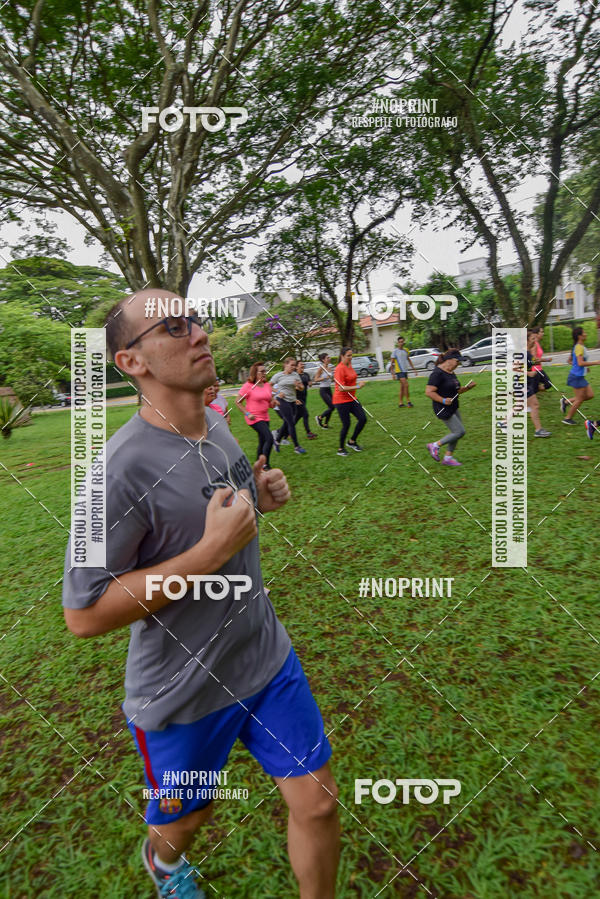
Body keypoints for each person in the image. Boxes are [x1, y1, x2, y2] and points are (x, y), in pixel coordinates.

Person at [62, 290, 339, 899]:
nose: (201, 334)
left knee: (317, 805)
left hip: (265, 658)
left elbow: (220, 507)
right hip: (182, 690)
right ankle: (162, 863)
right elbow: (82, 614)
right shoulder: (114, 473)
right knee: (188, 817)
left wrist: (257, 500)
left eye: (200, 322)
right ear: (131, 361)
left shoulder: (216, 423)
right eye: (176, 326)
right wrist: (208, 554)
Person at [425, 348, 476, 466]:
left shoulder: (451, 372)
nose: (458, 364)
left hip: (453, 406)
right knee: (460, 432)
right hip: (442, 408)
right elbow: (429, 392)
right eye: (457, 361)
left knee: (456, 432)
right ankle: (434, 445)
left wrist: (468, 387)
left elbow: (457, 390)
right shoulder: (437, 373)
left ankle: (448, 458)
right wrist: (442, 400)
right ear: (449, 360)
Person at [236, 362, 277, 469]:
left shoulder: (267, 385)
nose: (265, 373)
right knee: (269, 438)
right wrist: (247, 413)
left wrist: (273, 403)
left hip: (265, 417)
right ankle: (265, 464)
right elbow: (238, 402)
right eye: (262, 371)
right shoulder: (248, 386)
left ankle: (258, 464)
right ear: (255, 373)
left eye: (265, 371)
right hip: (254, 418)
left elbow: (269, 403)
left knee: (262, 440)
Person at [561, 326, 600, 425]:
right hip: (576, 377)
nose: (586, 334)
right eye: (584, 332)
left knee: (590, 395)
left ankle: (566, 402)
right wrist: (596, 362)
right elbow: (580, 363)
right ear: (579, 336)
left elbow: (575, 362)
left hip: (579, 376)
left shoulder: (581, 346)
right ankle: (567, 418)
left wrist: (585, 367)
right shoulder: (578, 347)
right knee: (580, 399)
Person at [332, 347, 367, 456]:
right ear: (342, 356)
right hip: (341, 400)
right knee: (346, 424)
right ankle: (340, 449)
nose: (351, 357)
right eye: (348, 355)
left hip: (352, 398)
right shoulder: (339, 369)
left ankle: (351, 441)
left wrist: (356, 384)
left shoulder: (349, 365)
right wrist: (358, 386)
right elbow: (341, 388)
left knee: (363, 419)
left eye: (351, 355)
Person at [271, 358, 307, 454]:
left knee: (287, 422)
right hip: (282, 400)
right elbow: (268, 385)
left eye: (295, 365)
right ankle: (297, 447)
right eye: (292, 365)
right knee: (291, 423)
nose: (294, 367)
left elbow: (301, 388)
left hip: (292, 401)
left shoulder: (295, 375)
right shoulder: (278, 375)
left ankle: (277, 441)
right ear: (285, 365)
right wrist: (278, 392)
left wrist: (298, 385)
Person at [525, 331, 552, 437]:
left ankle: (538, 430)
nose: (534, 341)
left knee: (533, 405)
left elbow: (533, 362)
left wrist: (543, 361)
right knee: (533, 405)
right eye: (532, 339)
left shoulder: (527, 352)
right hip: (520, 383)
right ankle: (538, 430)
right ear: (526, 340)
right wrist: (529, 372)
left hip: (525, 382)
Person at [390, 336, 417, 407]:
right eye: (400, 342)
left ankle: (400, 403)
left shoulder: (406, 350)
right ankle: (408, 402)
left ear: (404, 342)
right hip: (399, 371)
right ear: (398, 343)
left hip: (405, 371)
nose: (401, 343)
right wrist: (393, 374)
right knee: (406, 385)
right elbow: (392, 363)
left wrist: (414, 369)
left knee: (402, 387)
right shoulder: (395, 351)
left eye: (402, 342)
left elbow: (408, 360)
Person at [294, 361, 317, 439]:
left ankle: (284, 431)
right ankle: (309, 433)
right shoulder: (294, 376)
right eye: (301, 364)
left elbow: (309, 383)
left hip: (304, 397)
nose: (303, 365)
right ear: (296, 367)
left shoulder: (306, 374)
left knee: (297, 416)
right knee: (305, 414)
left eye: (303, 364)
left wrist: (310, 383)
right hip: (297, 399)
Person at [314, 352, 335, 429]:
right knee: (332, 407)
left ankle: (325, 424)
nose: (329, 359)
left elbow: (332, 378)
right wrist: (324, 378)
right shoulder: (321, 368)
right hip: (323, 390)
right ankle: (319, 417)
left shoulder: (330, 367)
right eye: (327, 358)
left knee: (331, 407)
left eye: (329, 357)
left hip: (329, 389)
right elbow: (315, 379)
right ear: (323, 360)